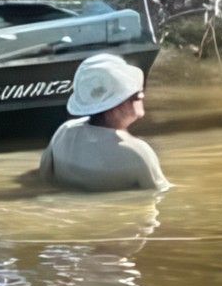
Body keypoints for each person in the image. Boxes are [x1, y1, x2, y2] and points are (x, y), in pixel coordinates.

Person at [39, 53, 169, 193]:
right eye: (136, 94)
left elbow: (43, 180)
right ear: (115, 105)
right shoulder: (137, 152)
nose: (141, 95)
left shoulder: (63, 133)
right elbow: (160, 197)